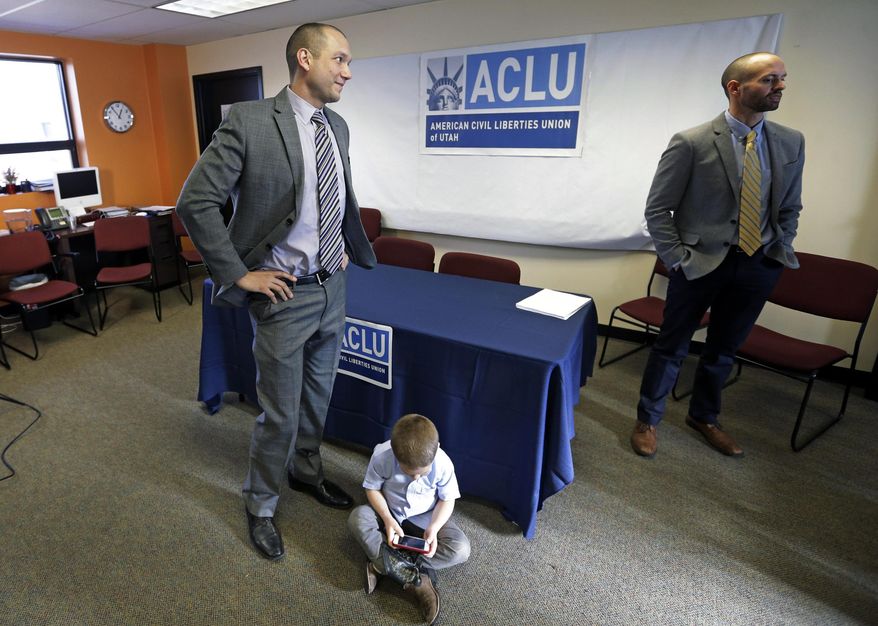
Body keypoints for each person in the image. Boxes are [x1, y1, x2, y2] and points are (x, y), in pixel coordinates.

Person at [175, 23, 376, 560]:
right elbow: (195, 202)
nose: (347, 72)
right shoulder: (249, 121)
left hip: (334, 285)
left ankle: (305, 471)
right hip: (283, 296)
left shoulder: (339, 126)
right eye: (340, 60)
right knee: (280, 412)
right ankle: (260, 502)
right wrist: (238, 274)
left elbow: (334, 202)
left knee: (318, 397)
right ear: (305, 58)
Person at [631, 52, 804, 458]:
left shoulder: (790, 141)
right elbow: (658, 209)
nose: (780, 86)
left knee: (724, 348)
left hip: (758, 263)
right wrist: (677, 259)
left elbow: (790, 205)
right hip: (699, 264)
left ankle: (704, 416)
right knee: (671, 347)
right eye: (769, 80)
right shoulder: (691, 142)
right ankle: (648, 419)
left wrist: (780, 249)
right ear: (735, 88)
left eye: (782, 79)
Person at [348, 414, 471, 625]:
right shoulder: (382, 455)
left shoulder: (443, 463)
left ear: (437, 449)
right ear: (395, 456)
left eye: (422, 473)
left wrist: (434, 527)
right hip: (388, 511)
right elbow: (372, 489)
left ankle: (382, 564)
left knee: (461, 549)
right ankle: (416, 578)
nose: (416, 478)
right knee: (357, 518)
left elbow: (447, 500)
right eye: (409, 473)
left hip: (425, 516)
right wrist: (387, 518)